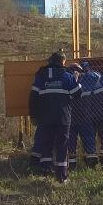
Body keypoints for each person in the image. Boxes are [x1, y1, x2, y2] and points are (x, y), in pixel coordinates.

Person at [28, 51, 80, 182]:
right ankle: (61, 176)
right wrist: (76, 79)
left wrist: (33, 115)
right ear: (62, 62)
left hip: (45, 116)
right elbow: (78, 93)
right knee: (62, 145)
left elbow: (33, 97)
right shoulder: (67, 76)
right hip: (62, 116)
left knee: (47, 143)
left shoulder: (41, 75)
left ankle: (45, 170)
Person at [69, 61, 103, 168]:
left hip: (88, 113)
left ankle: (90, 162)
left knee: (89, 138)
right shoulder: (99, 76)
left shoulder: (78, 80)